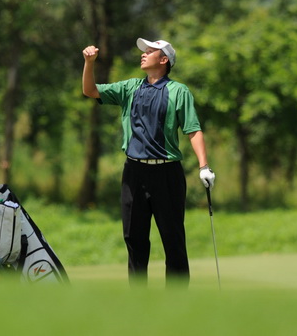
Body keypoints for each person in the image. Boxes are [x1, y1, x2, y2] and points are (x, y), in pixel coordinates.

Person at [81, 38, 215, 287]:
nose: (143, 54)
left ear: (164, 60)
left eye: (150, 51)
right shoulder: (130, 87)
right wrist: (89, 63)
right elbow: (90, 91)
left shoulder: (178, 91)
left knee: (173, 240)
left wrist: (204, 166)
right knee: (134, 238)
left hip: (166, 174)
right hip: (133, 173)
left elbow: (193, 130)